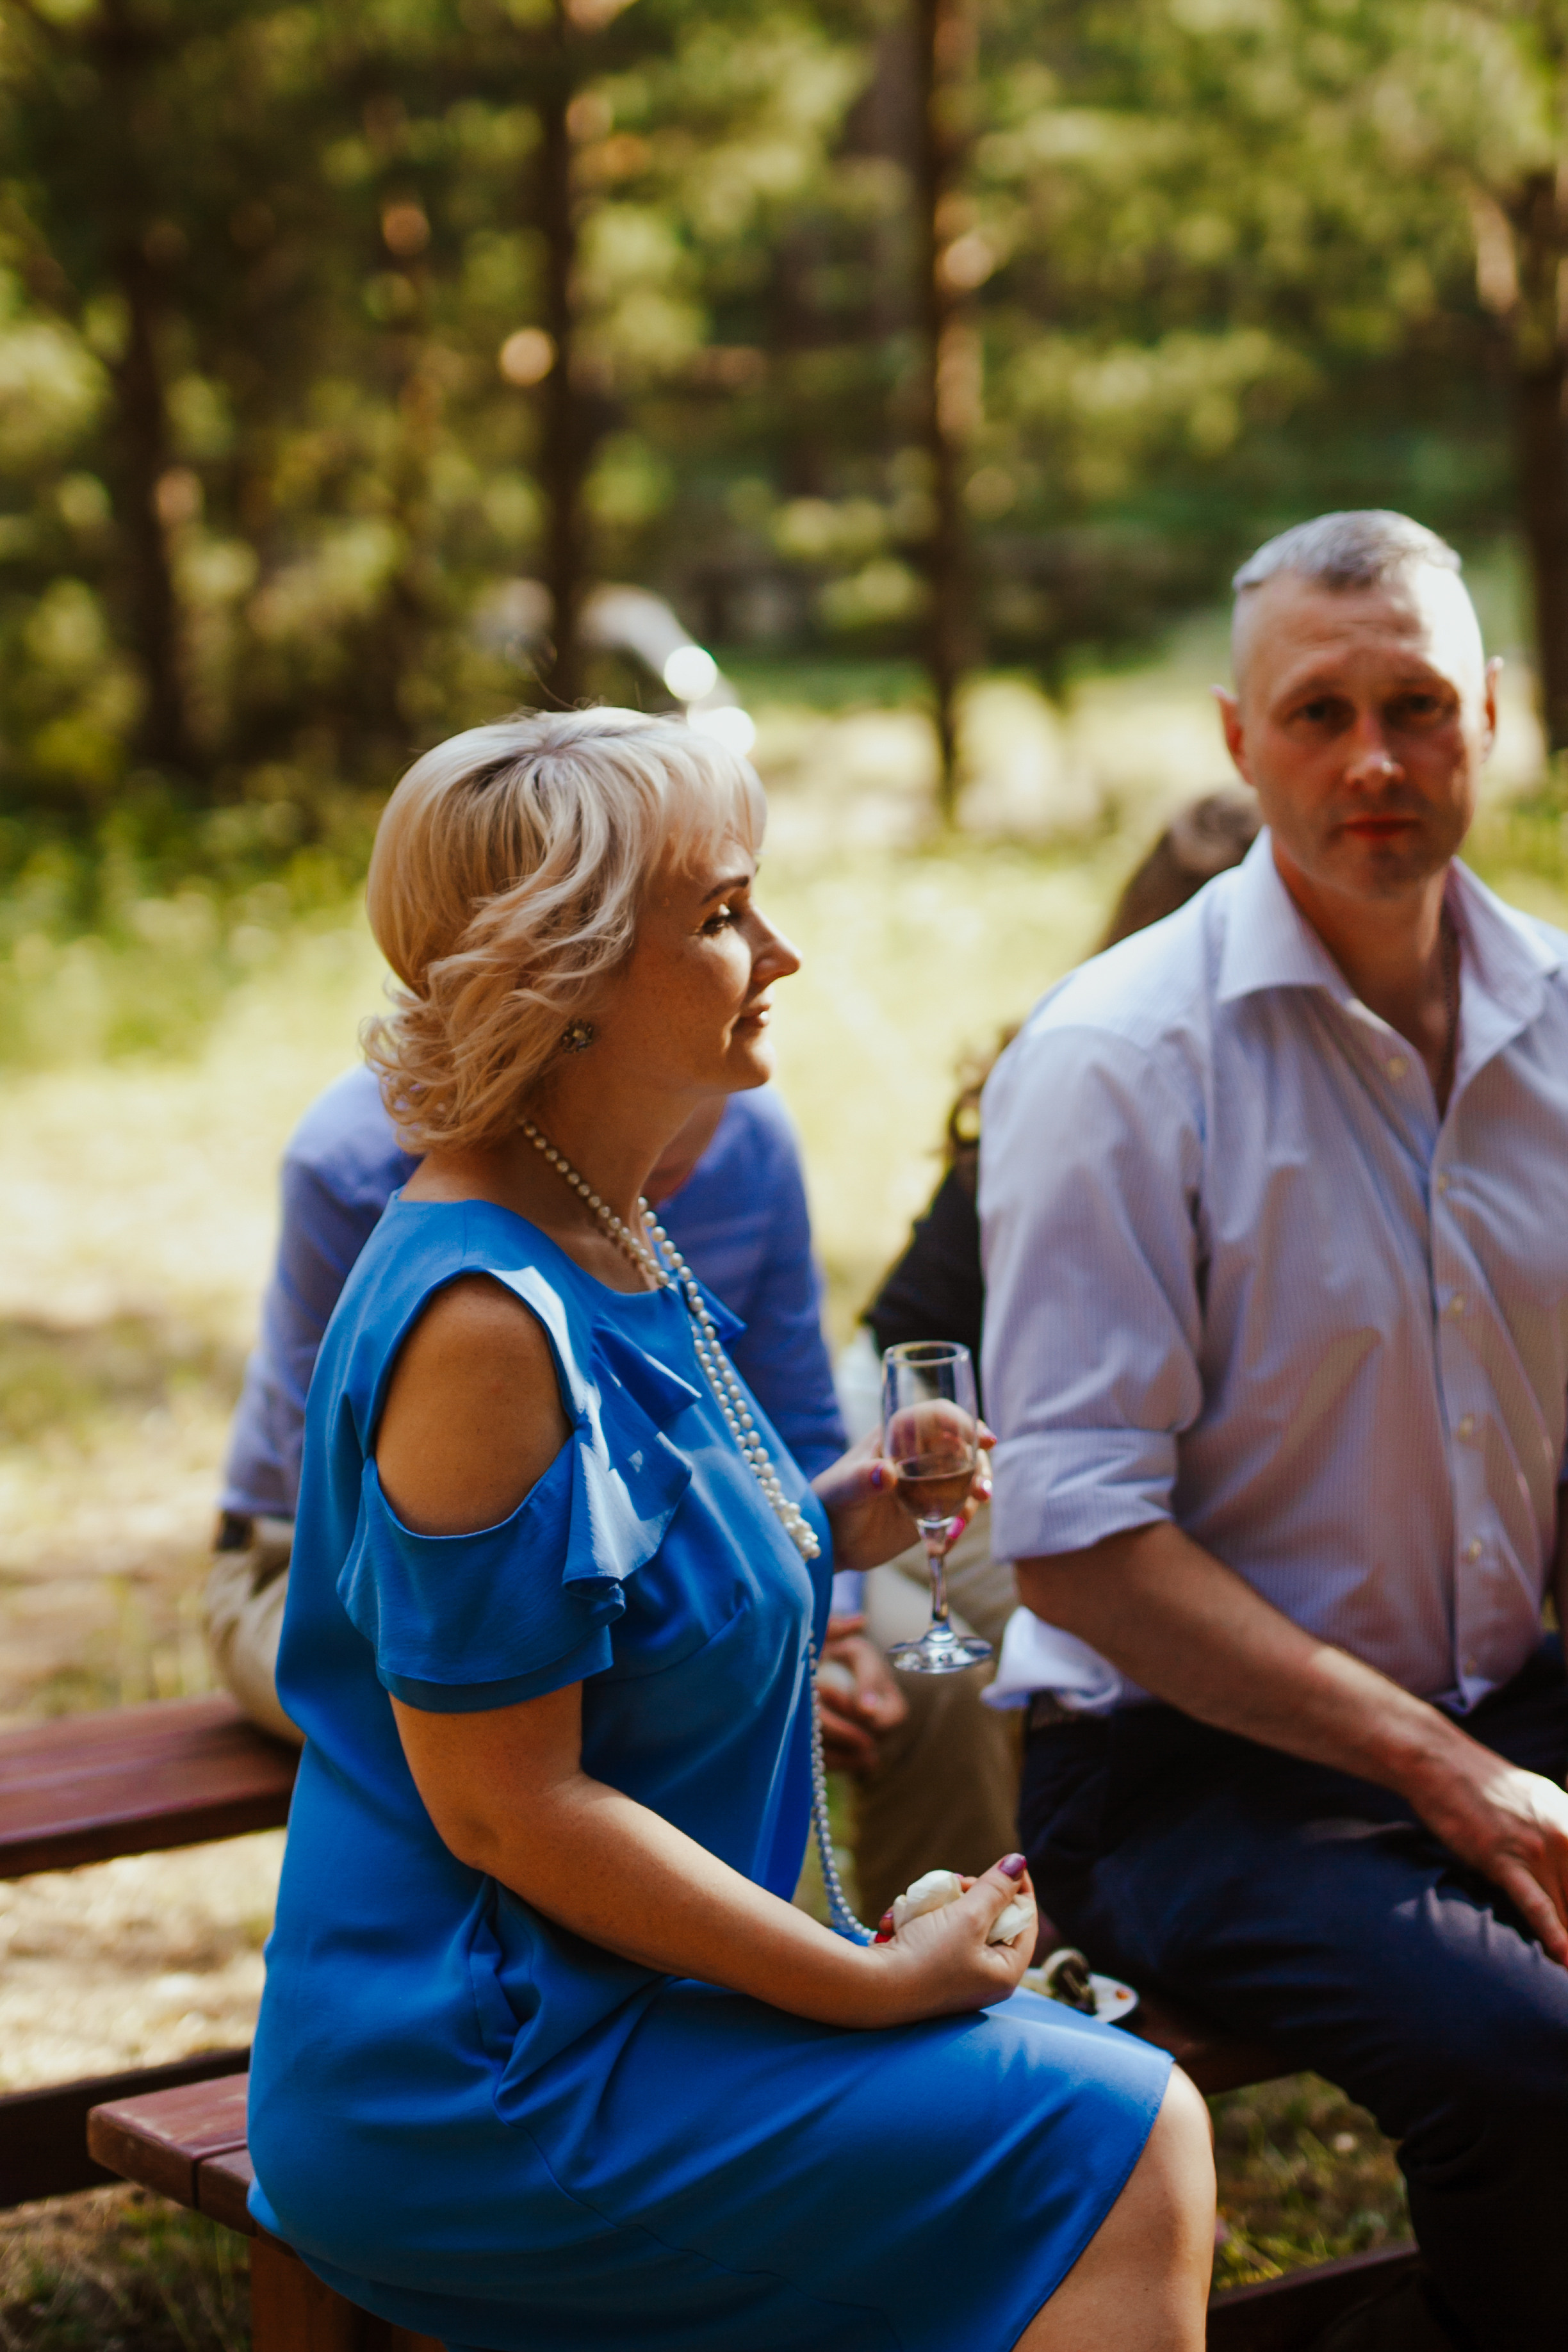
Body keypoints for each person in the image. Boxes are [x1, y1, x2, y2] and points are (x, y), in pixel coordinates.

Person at [245, 708, 1214, 2352]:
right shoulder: (483, 1318)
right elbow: (509, 1810)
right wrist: (865, 1986)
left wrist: (849, 1510)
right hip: (492, 2072)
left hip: (644, 2005)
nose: (781, 948)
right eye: (717, 915)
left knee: (1107, 2113)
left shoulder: (608, 1221)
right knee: (1123, 2133)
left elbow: (635, 1564)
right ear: (560, 980)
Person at [981, 510, 1568, 2352]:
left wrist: (1476, 1759)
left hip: (1500, 1699)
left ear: (1496, 713)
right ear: (1238, 744)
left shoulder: (1561, 1019)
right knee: (1530, 2065)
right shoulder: (1112, 1060)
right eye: (1318, 713)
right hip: (1183, 1772)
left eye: (1415, 705)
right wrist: (1440, 1773)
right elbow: (1074, 1536)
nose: (1374, 758)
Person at [845, 787, 1259, 1922]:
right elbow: (930, 1366)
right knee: (1104, 1614)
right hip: (943, 1435)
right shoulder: (1081, 1075)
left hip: (1079, 1446)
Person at [207, 1068, 864, 1742]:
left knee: (930, 1699)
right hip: (319, 1575)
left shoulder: (754, 1134)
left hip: (660, 1562)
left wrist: (826, 1622)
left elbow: (799, 1420)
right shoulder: (353, 1168)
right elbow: (339, 1505)